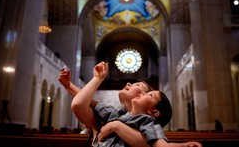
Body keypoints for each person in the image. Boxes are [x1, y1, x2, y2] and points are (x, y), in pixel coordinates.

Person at [71, 61, 202, 147]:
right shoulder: (115, 113)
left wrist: (184, 145)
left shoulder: (146, 120)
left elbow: (161, 145)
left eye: (148, 94)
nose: (128, 83)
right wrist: (71, 84)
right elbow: (85, 102)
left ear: (153, 111)